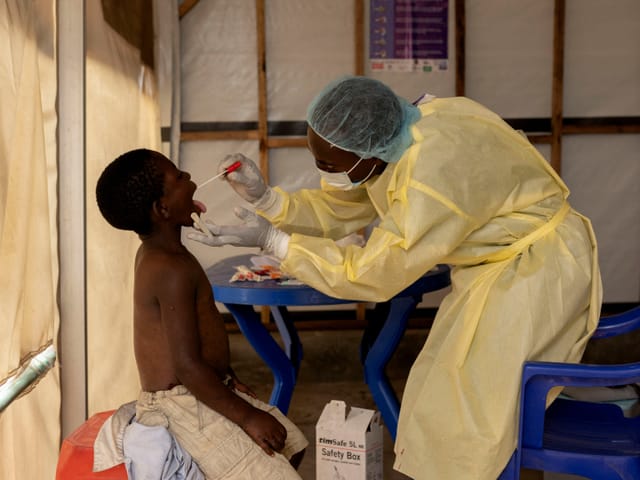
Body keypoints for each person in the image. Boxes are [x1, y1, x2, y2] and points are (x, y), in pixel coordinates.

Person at [188, 76, 603, 480]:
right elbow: (349, 202)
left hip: (535, 272)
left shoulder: (430, 177)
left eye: (327, 164)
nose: (321, 171)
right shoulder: (412, 127)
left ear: (368, 154)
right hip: (502, 266)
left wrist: (276, 243)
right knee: (452, 399)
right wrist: (269, 200)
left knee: (490, 415)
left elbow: (374, 273)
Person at [95, 148, 307, 479]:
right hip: (181, 403)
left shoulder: (163, 254)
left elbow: (190, 343)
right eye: (179, 177)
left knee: (290, 442)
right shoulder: (169, 268)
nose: (191, 179)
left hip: (200, 386)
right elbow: (186, 365)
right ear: (162, 208)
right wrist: (247, 417)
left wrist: (227, 375)